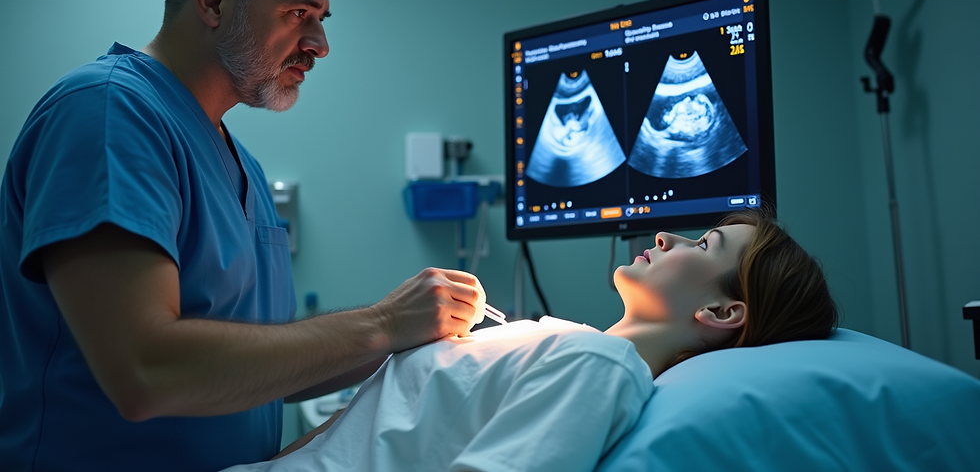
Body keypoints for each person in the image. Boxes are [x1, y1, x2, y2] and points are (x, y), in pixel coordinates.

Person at [0, 0, 486, 471]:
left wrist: (416, 332)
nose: (320, 46)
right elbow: (146, 370)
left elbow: (263, 361)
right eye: (299, 14)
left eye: (321, 21)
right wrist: (383, 323)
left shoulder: (241, 162)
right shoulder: (107, 112)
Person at [223, 209, 840, 472]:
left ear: (723, 310)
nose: (667, 238)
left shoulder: (602, 365)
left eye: (702, 246)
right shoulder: (562, 340)